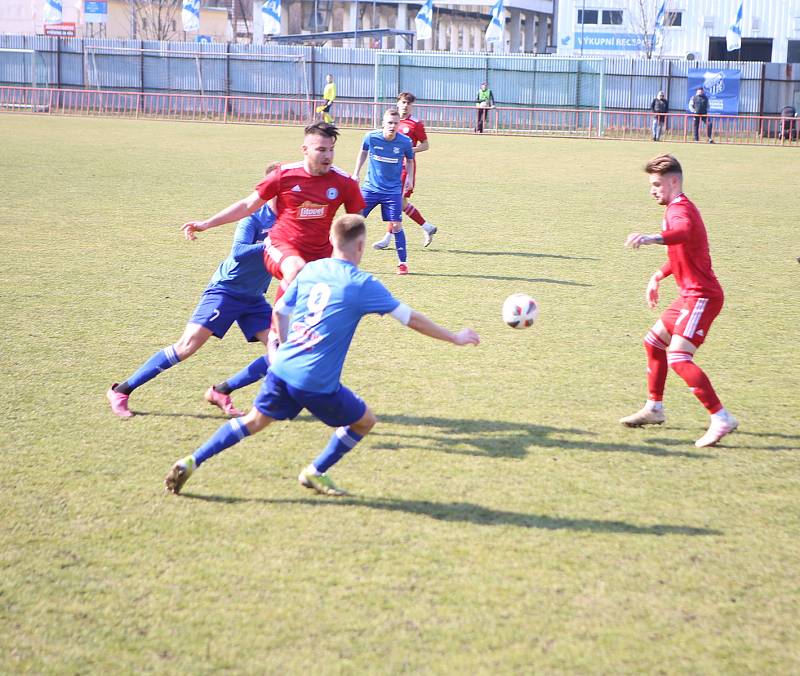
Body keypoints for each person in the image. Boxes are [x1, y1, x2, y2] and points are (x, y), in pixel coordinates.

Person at [164, 214, 480, 496]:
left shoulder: (311, 270)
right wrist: (455, 337)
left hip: (282, 367)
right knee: (364, 422)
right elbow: (411, 318)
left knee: (254, 421)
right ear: (360, 247)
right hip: (316, 381)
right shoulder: (363, 284)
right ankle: (315, 471)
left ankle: (193, 459)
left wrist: (280, 346)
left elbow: (281, 310)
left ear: (331, 240)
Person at [106, 168, 279, 418]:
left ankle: (221, 391)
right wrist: (270, 242)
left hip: (254, 298)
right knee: (186, 346)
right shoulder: (253, 218)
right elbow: (240, 252)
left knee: (282, 353)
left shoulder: (289, 221)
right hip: (226, 290)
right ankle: (121, 390)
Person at [181, 123, 365, 331]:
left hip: (319, 251)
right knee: (295, 269)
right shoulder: (283, 175)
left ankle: (282, 342)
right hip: (281, 244)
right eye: (321, 150)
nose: (328, 156)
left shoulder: (344, 182)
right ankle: (280, 329)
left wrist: (346, 255)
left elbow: (356, 223)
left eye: (331, 149)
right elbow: (247, 205)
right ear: (304, 150)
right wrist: (207, 223)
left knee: (335, 305)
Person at [620, 154, 737, 448]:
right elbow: (682, 251)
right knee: (653, 342)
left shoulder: (679, 210)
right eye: (651, 184)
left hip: (702, 297)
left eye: (657, 184)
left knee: (678, 356)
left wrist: (651, 238)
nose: (652, 190)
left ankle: (721, 417)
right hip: (688, 296)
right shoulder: (676, 208)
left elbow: (681, 233)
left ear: (674, 181)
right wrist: (657, 276)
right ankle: (655, 408)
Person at [353, 108, 415, 275]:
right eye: (389, 123)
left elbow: (410, 160)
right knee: (354, 221)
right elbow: (363, 152)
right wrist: (356, 173)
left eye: (395, 123)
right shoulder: (371, 137)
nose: (392, 126)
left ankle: (403, 263)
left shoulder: (405, 142)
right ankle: (343, 259)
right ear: (383, 123)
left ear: (399, 124)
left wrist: (409, 177)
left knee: (396, 225)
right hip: (370, 188)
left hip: (392, 190)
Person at [372, 92, 437, 250]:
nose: (405, 105)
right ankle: (427, 227)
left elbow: (425, 145)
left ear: (412, 105)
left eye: (408, 103)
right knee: (399, 202)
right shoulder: (391, 121)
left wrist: (408, 149)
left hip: (404, 168)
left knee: (394, 201)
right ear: (398, 103)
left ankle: (387, 238)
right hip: (389, 167)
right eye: (403, 102)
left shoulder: (416, 124)